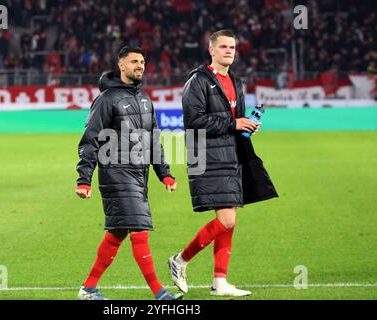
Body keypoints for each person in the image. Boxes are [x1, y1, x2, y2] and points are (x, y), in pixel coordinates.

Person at [168, 30, 278, 297]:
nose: (229, 51)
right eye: (224, 47)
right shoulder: (198, 81)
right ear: (212, 50)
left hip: (231, 154)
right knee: (227, 218)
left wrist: (246, 126)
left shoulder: (235, 81)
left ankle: (220, 282)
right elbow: (193, 121)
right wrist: (233, 123)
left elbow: (235, 120)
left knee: (229, 219)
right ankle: (180, 260)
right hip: (207, 157)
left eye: (233, 47)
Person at [75, 46, 183, 300]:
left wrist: (164, 173)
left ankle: (88, 288)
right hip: (116, 173)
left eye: (143, 61)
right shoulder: (106, 99)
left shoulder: (144, 99)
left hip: (139, 175)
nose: (140, 65)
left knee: (117, 232)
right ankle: (159, 292)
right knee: (139, 228)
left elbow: (154, 139)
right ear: (121, 65)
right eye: (134, 61)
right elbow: (91, 139)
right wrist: (84, 178)